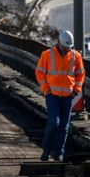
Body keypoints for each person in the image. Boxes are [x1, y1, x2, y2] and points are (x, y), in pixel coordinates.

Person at [35, 30, 85, 162]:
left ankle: (58, 153)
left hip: (68, 97)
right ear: (59, 43)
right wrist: (46, 90)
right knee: (54, 123)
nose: (67, 50)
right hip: (52, 96)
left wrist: (76, 90)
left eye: (69, 48)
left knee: (64, 126)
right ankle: (46, 150)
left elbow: (80, 75)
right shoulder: (47, 55)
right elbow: (39, 73)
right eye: (65, 48)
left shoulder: (76, 56)